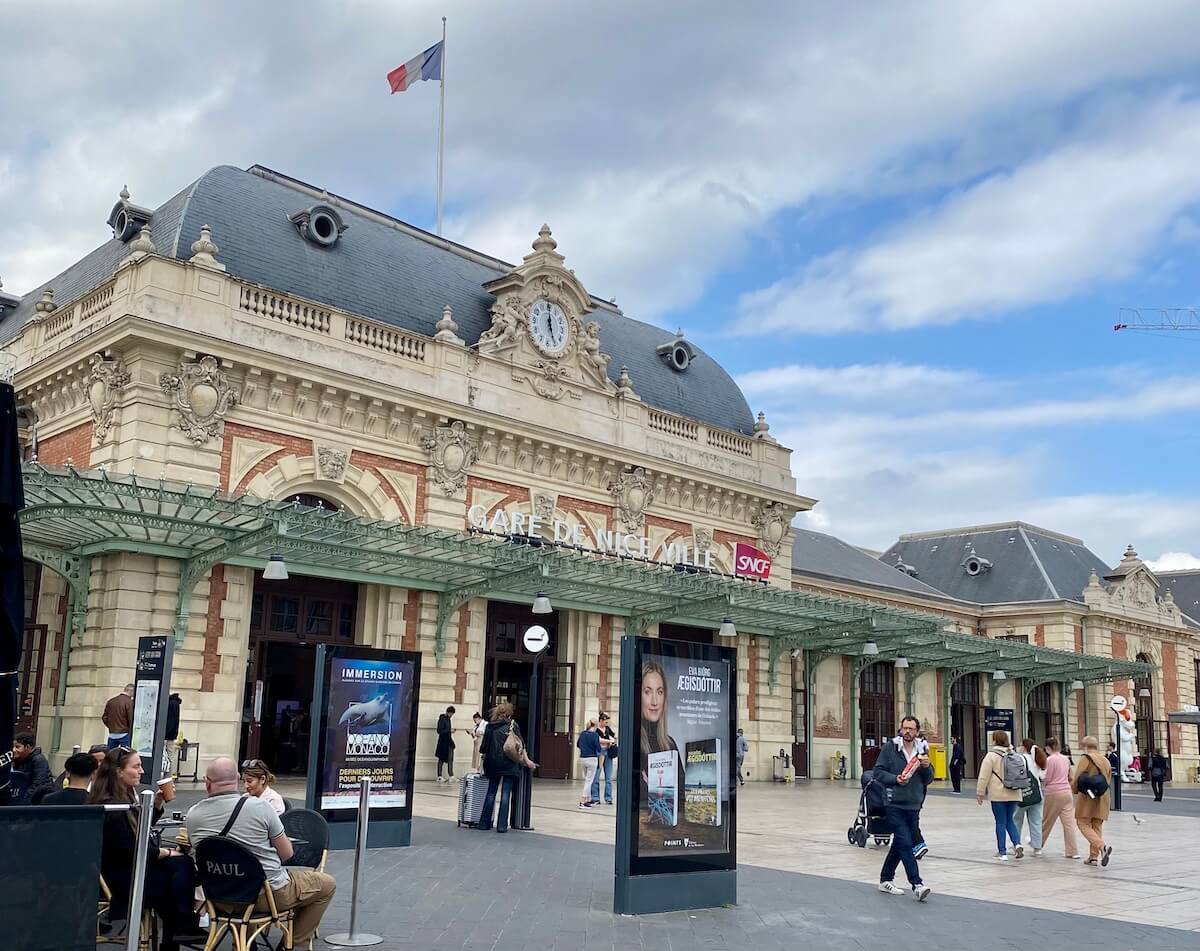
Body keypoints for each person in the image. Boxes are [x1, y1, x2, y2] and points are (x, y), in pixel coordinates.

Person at [187, 757, 336, 946]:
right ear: (238, 778)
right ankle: (294, 944)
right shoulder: (261, 807)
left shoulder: (193, 815)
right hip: (267, 896)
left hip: (219, 898)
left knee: (239, 882)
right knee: (327, 884)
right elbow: (287, 854)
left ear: (207, 783)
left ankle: (242, 944)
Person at [89, 748, 201, 951]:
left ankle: (179, 930)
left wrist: (156, 805)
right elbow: (131, 848)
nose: (141, 771)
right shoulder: (114, 807)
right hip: (122, 879)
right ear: (118, 772)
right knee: (179, 869)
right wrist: (165, 852)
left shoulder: (124, 797)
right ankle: (181, 927)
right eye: (136, 766)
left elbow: (139, 831)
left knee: (178, 871)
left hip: (126, 870)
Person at [874, 715, 932, 902]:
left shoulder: (921, 749)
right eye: (904, 728)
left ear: (917, 731)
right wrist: (895, 779)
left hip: (914, 803)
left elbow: (928, 779)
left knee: (900, 843)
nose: (907, 732)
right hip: (894, 802)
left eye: (911, 729)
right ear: (900, 729)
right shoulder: (890, 748)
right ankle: (917, 884)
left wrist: (926, 767)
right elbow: (878, 772)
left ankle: (885, 879)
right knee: (906, 842)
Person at [477, 702, 537, 833]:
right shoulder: (512, 725)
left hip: (492, 764)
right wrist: (527, 761)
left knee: (491, 793)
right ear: (509, 713)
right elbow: (520, 745)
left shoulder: (489, 727)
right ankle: (502, 826)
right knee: (505, 794)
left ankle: (484, 823)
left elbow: (483, 748)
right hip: (509, 764)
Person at [975, 729, 1023, 860]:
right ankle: (1017, 843)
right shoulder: (1014, 754)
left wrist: (980, 792)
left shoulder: (991, 755)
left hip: (998, 794)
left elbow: (983, 776)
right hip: (1014, 792)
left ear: (995, 740)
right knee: (1010, 821)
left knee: (1000, 822)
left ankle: (1002, 852)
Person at [1072, 735, 1113, 867]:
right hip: (1103, 795)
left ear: (1085, 746)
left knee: (1082, 823)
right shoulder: (1106, 760)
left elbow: (1078, 777)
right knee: (1097, 825)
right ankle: (1093, 857)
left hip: (1088, 796)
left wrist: (1074, 790)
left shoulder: (1086, 758)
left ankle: (1102, 847)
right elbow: (1108, 778)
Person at [1039, 736, 1081, 859]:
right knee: (1069, 824)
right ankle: (1073, 851)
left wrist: (1040, 774)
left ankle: (1038, 845)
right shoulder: (1066, 759)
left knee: (1047, 821)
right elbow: (1071, 777)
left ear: (1047, 748)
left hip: (1053, 792)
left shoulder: (1050, 759)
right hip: (1067, 792)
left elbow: (1047, 777)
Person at [1013, 737, 1048, 857]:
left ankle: (1016, 843)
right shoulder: (1036, 758)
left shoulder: (1020, 758)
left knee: (1016, 820)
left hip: (1022, 794)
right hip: (1036, 793)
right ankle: (1037, 848)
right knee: (1036, 822)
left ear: (1023, 747)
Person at [10, 731, 54, 804]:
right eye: (13, 747)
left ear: (28, 747)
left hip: (37, 800)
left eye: (17, 747)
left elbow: (39, 783)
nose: (14, 750)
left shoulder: (39, 760)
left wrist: (22, 800)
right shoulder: (17, 760)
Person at [591, 713, 617, 805]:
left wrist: (612, 740)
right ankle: (595, 797)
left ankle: (608, 798)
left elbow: (614, 737)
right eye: (605, 721)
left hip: (608, 752)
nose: (606, 723)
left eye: (607, 722)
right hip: (600, 753)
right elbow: (598, 740)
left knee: (608, 777)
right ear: (600, 720)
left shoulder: (608, 729)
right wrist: (610, 741)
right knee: (596, 776)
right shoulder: (596, 730)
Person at [577, 718, 603, 808]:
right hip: (592, 758)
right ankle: (583, 801)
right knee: (589, 781)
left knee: (587, 779)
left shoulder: (583, 733)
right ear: (595, 725)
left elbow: (578, 744)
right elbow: (598, 748)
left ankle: (588, 799)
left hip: (583, 758)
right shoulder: (595, 735)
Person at [103, 684, 135, 749]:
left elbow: (104, 718)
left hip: (112, 734)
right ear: (131, 691)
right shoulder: (129, 702)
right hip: (125, 733)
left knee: (110, 755)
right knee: (125, 755)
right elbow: (131, 718)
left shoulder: (111, 701)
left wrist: (111, 726)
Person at [435, 705, 456, 783]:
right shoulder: (442, 718)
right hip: (443, 742)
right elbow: (439, 730)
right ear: (448, 712)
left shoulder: (448, 719)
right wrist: (449, 730)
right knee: (441, 759)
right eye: (451, 714)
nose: (451, 716)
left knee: (450, 759)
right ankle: (439, 776)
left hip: (448, 741)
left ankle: (451, 775)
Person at [163, 692, 183, 772]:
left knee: (168, 756)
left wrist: (165, 734)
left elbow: (170, 721)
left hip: (168, 736)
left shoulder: (171, 704)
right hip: (171, 735)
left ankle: (168, 775)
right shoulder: (174, 703)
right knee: (170, 756)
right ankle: (169, 775)